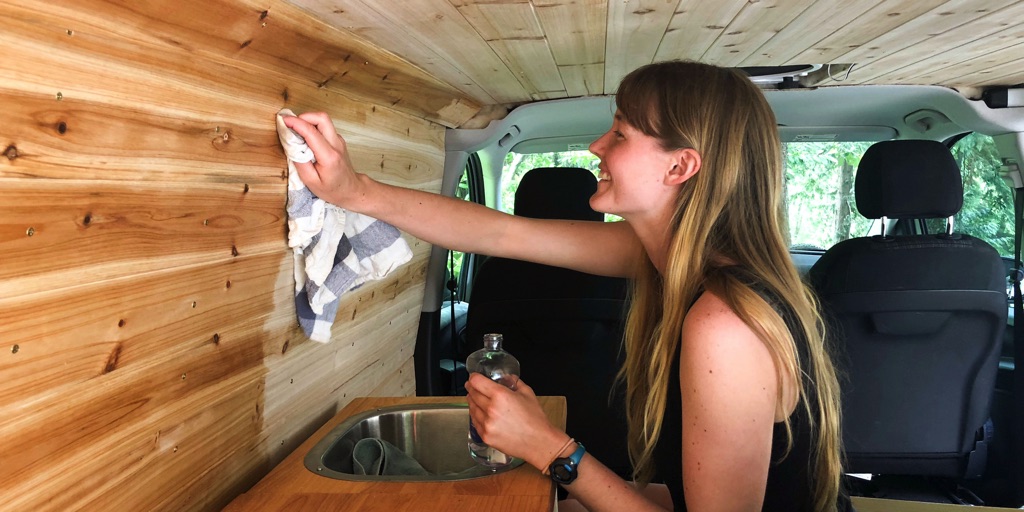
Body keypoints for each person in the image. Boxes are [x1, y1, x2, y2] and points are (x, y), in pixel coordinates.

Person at [283, 60, 849, 512]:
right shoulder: (670, 260)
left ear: (680, 168)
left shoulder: (724, 323)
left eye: (621, 133)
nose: (597, 147)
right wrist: (354, 191)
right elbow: (502, 233)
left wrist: (547, 445)